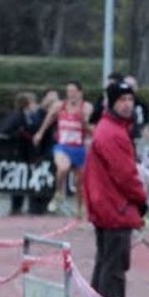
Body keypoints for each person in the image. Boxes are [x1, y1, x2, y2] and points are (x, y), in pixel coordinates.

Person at [84, 80, 147, 297]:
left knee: (104, 264)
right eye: (122, 100)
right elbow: (126, 175)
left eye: (130, 99)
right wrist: (141, 200)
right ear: (111, 103)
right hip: (115, 207)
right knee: (113, 268)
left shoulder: (109, 129)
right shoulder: (114, 133)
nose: (127, 104)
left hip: (106, 205)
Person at [35, 81, 91, 216]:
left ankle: (80, 211)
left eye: (73, 91)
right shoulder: (59, 106)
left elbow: (88, 126)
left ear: (80, 93)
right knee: (63, 168)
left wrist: (82, 119)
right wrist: (40, 132)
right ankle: (58, 192)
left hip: (78, 147)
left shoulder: (86, 106)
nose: (71, 94)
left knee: (79, 183)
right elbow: (49, 118)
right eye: (68, 91)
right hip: (62, 146)